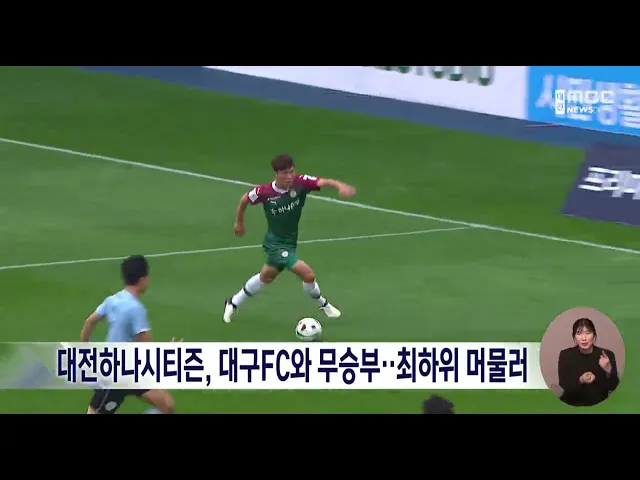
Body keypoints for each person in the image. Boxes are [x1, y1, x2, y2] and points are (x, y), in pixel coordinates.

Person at [223, 154, 356, 323]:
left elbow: (323, 182)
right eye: (285, 173)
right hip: (275, 244)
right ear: (276, 174)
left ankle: (233, 302)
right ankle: (323, 304)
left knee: (266, 276)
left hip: (290, 241)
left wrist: (340, 186)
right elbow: (245, 199)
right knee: (308, 275)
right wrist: (239, 222)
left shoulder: (300, 183)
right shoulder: (264, 192)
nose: (289, 176)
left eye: (291, 172)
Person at [80, 255, 178, 414]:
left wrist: (85, 347)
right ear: (142, 279)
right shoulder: (136, 309)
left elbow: (89, 322)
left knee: (166, 404)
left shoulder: (112, 300)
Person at [557, 317, 620, 407]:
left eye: (588, 333)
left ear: (594, 336)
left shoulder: (607, 355)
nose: (584, 338)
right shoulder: (566, 355)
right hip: (572, 404)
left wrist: (609, 370)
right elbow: (564, 384)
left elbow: (614, 387)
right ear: (574, 337)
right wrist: (581, 380)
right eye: (579, 333)